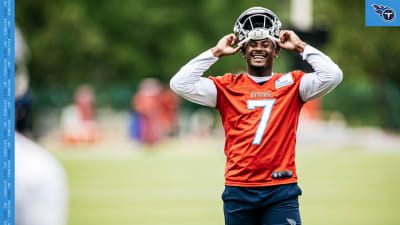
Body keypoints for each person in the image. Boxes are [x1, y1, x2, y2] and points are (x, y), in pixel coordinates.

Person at [170, 7, 342, 225]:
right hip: (239, 189)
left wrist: (300, 46)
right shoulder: (227, 86)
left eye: (265, 44)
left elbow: (333, 75)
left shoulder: (293, 84)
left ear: (276, 50)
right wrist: (215, 52)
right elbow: (179, 83)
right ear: (243, 50)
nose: (258, 49)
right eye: (252, 44)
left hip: (281, 190)